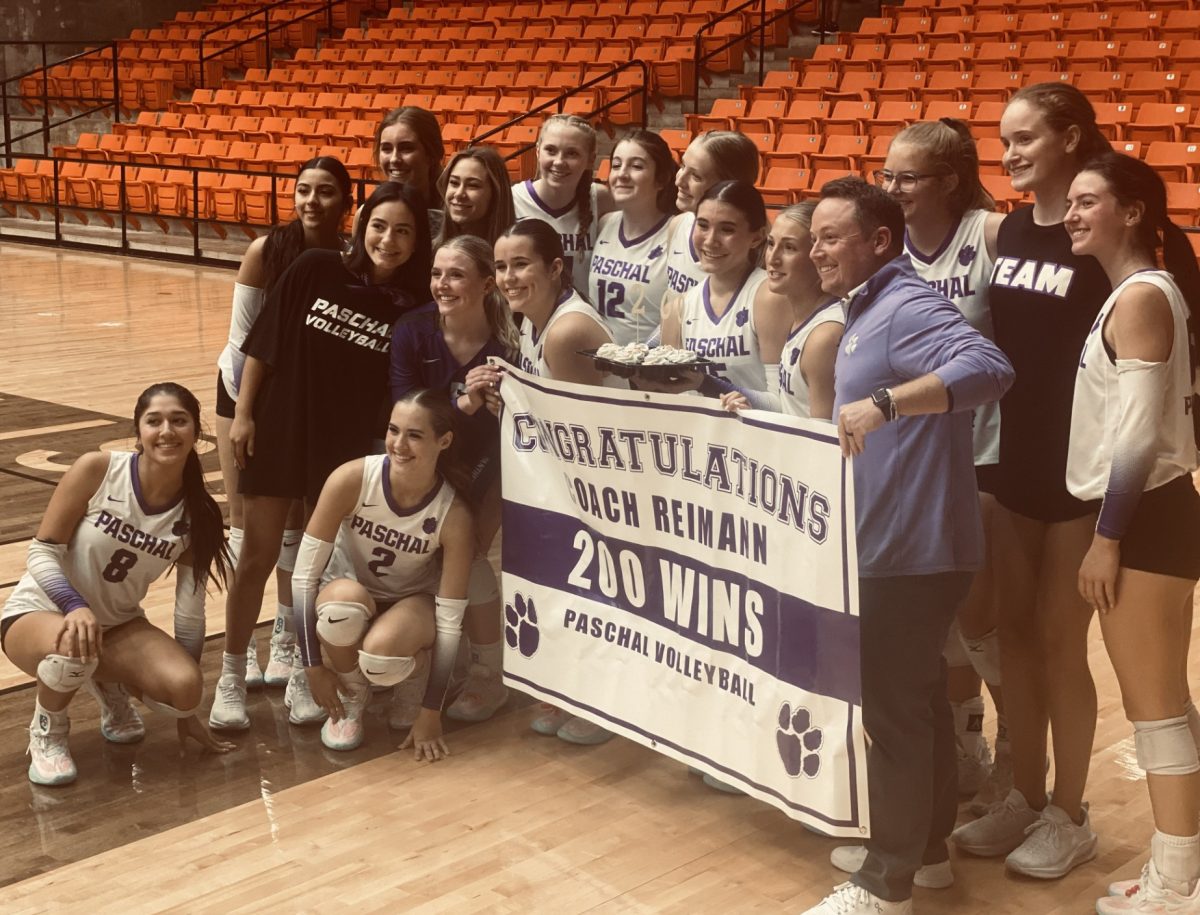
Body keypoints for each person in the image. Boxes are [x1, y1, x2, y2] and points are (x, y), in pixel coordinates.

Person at [803, 177, 1013, 915]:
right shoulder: (868, 309)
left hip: (911, 547)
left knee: (892, 712)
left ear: (880, 241)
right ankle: (923, 855)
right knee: (916, 702)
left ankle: (883, 884)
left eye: (831, 237)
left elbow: (990, 367)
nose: (815, 249)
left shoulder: (908, 305)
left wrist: (889, 401)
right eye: (814, 236)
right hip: (896, 544)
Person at [951, 83, 1113, 880]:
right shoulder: (1012, 228)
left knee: (1058, 641)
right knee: (1014, 637)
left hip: (1082, 470)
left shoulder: (1103, 226)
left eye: (1025, 139)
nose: (1009, 153)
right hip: (1014, 459)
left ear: (1072, 137)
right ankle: (1023, 790)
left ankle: (1071, 811)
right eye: (1003, 140)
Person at [210, 181, 433, 733]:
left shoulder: (413, 306)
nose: (389, 239)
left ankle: (297, 672)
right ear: (361, 226)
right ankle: (231, 673)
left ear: (417, 240)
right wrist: (243, 414)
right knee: (257, 556)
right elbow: (262, 343)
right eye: (380, 225)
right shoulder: (314, 266)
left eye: (404, 230)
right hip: (282, 430)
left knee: (310, 569)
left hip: (342, 452)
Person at [1062, 153, 1200, 914]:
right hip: (1154, 515)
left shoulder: (1141, 297)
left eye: (1089, 201)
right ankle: (1183, 862)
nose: (1074, 213)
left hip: (1144, 518)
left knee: (1156, 711)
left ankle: (1177, 883)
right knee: (1168, 704)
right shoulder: (1138, 293)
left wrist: (1107, 537)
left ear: (1135, 211)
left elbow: (1141, 439)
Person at [2, 383, 236, 785]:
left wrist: (186, 712)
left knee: (184, 687)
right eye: (154, 421)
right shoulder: (98, 469)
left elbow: (189, 612)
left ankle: (106, 684)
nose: (167, 431)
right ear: (138, 430)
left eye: (179, 421)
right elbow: (42, 551)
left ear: (197, 433)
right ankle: (48, 732)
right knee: (74, 647)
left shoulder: (199, 513)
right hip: (39, 612)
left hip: (117, 624)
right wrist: (74, 605)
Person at [878, 118, 1010, 812]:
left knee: (984, 618)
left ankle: (1019, 757)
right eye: (887, 176)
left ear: (950, 181)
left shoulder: (987, 237)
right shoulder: (885, 247)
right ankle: (967, 745)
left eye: (907, 177)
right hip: (912, 460)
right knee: (943, 618)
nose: (893, 188)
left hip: (988, 451)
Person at [468, 217, 615, 744]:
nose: (508, 277)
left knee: (591, 591)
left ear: (556, 267)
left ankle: (600, 705)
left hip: (596, 485)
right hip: (560, 477)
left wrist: (512, 405)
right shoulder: (531, 321)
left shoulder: (567, 331)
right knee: (561, 586)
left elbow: (585, 434)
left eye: (521, 264)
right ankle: (566, 690)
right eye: (501, 266)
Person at [215, 155, 352, 693]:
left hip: (305, 406)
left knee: (297, 526)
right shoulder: (265, 251)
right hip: (245, 395)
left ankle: (287, 637)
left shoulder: (350, 258)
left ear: (345, 200)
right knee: (247, 523)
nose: (311, 201)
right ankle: (242, 646)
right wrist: (246, 413)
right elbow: (239, 341)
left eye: (324, 192)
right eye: (302, 190)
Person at [292, 390, 474, 758]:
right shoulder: (352, 478)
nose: (399, 444)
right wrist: (312, 667)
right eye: (393, 430)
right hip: (349, 592)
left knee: (381, 660)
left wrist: (430, 712)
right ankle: (353, 695)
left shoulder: (453, 515)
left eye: (415, 435)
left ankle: (415, 675)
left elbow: (451, 621)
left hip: (412, 605)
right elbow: (303, 578)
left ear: (445, 441)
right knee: (340, 611)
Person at [389, 235, 519, 723]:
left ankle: (489, 674)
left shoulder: (510, 345)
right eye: (437, 273)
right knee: (424, 563)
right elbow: (405, 408)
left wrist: (504, 406)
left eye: (456, 275)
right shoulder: (413, 330)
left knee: (471, 559)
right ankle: (436, 665)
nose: (442, 285)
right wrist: (464, 403)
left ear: (488, 284)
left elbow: (515, 430)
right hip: (420, 466)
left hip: (483, 471)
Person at [658, 180, 791, 398]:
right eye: (702, 225)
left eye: (727, 230)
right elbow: (676, 400)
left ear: (756, 237)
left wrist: (709, 385)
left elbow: (783, 404)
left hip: (756, 432)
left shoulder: (769, 297)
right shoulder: (677, 310)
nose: (710, 241)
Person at [720, 201, 842, 420]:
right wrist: (751, 409)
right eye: (771, 243)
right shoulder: (802, 320)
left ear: (818, 255)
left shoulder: (824, 337)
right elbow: (793, 411)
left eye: (789, 248)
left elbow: (823, 440)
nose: (773, 258)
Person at [587, 129, 677, 346]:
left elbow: (680, 317)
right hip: (597, 361)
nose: (622, 174)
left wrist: (641, 358)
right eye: (616, 165)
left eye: (636, 166)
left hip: (644, 367)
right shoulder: (604, 223)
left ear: (661, 179)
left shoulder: (677, 232)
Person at [511, 114, 614, 296]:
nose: (559, 162)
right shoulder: (513, 199)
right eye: (550, 150)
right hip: (522, 319)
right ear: (537, 151)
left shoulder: (601, 199)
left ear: (591, 160)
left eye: (572, 153)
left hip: (582, 317)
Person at [666, 131, 760, 306]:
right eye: (682, 166)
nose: (679, 180)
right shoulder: (677, 225)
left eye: (695, 176)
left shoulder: (751, 250)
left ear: (727, 186)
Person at [370, 106, 445, 237]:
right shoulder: (367, 213)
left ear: (432, 154)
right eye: (386, 149)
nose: (394, 159)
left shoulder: (453, 220)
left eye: (406, 149)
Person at [434, 145, 515, 248]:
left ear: (495, 194)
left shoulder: (514, 253)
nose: (459, 194)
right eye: (454, 182)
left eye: (473, 185)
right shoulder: (429, 250)